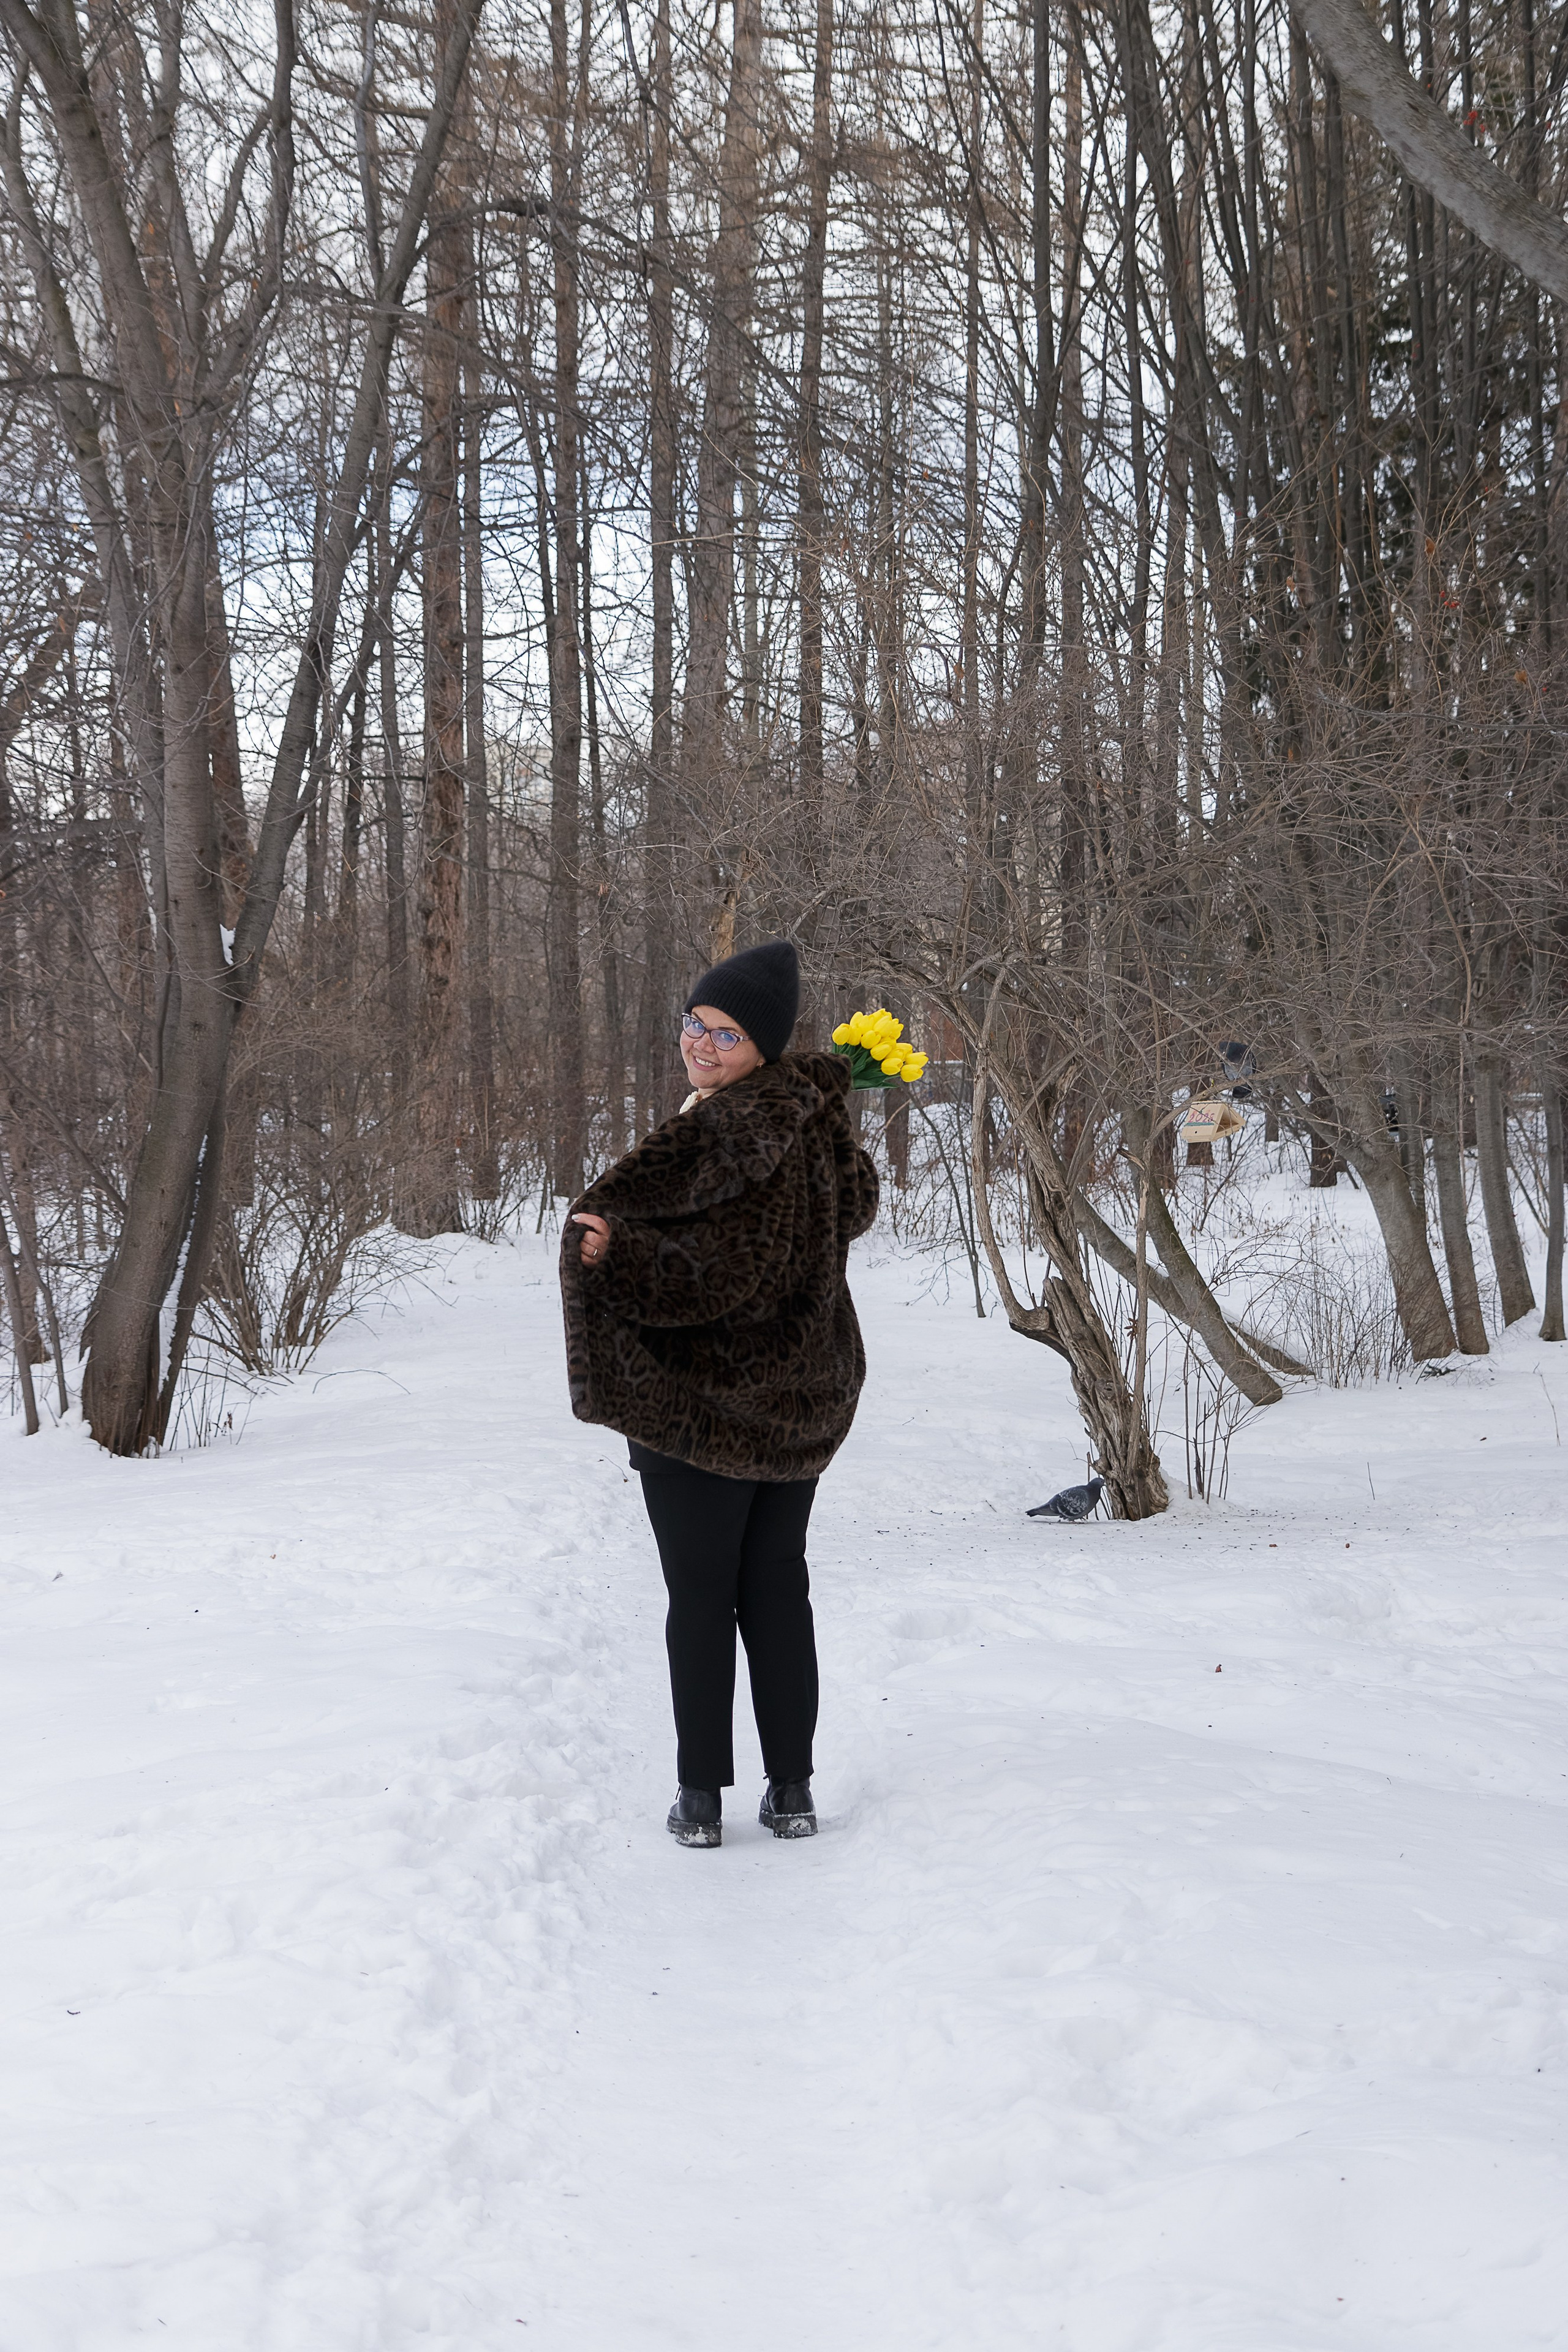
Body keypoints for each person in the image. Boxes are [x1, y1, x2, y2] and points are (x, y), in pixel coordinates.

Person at [559, 938, 879, 1847]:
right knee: (777, 1588)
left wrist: (617, 1258)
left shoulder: (738, 1128)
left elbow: (722, 1275)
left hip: (706, 1403)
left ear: (765, 1048)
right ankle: (792, 1790)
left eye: (727, 1033)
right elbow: (844, 1214)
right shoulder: (808, 1120)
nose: (702, 1043)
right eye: (695, 1023)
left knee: (702, 1596)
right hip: (800, 1399)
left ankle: (702, 1798)